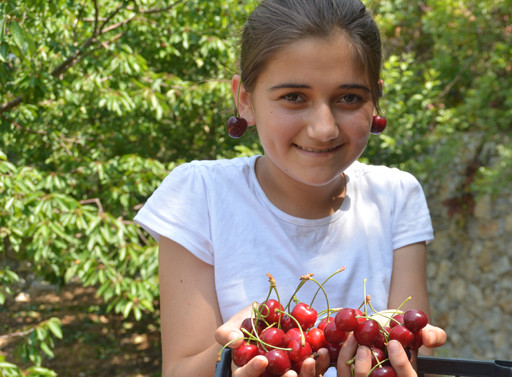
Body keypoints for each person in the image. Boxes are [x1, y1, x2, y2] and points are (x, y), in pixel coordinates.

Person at [134, 0, 446, 376]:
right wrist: (237, 358)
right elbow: (181, 368)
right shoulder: (199, 195)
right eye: (294, 97)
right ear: (245, 100)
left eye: (349, 98)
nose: (323, 127)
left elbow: (411, 355)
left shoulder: (396, 195)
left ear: (375, 98)